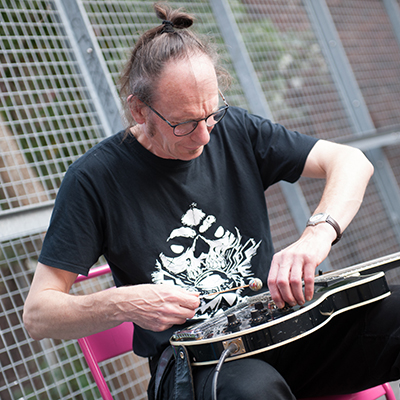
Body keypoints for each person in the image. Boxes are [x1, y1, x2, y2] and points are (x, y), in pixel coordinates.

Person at [23, 3, 400, 400]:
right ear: (139, 109)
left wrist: (316, 235)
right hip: (198, 366)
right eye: (184, 123)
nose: (204, 137)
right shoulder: (93, 181)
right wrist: (125, 303)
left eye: (211, 115)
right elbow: (38, 314)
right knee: (253, 392)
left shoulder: (233, 129)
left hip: (281, 332)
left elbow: (350, 161)